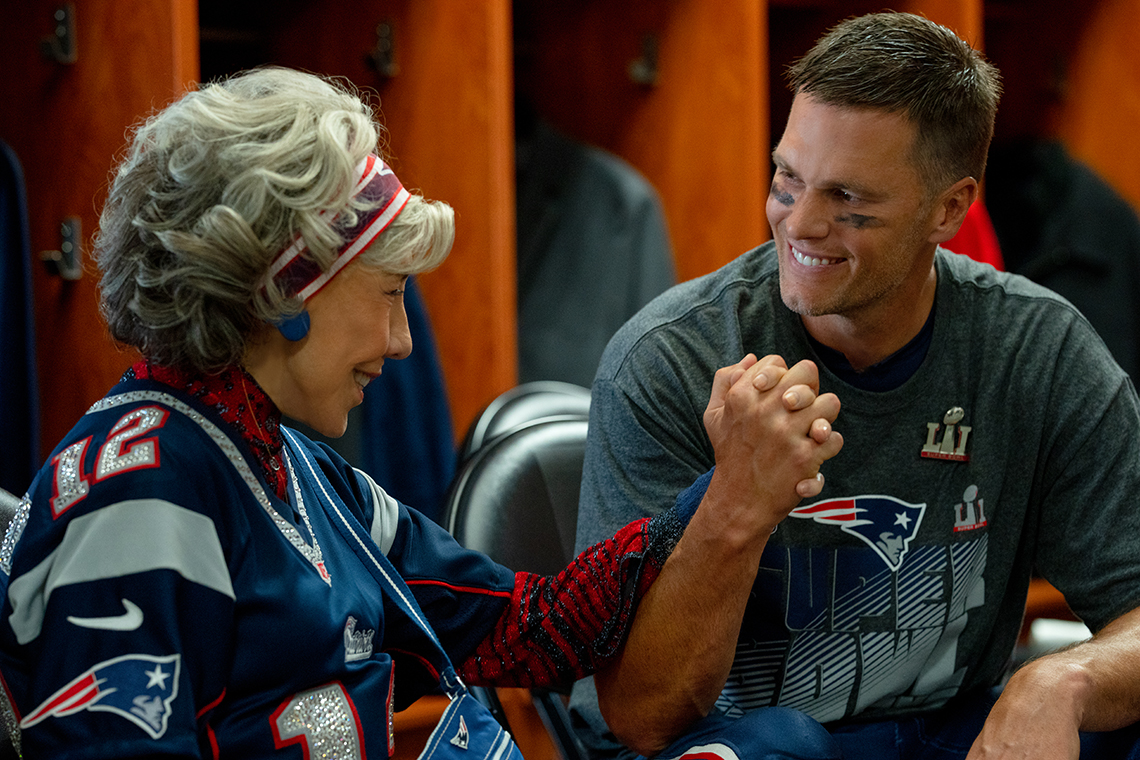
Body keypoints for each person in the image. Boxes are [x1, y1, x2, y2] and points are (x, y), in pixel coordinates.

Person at [0, 67, 841, 759]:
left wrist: (728, 484)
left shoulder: (290, 461)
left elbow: (527, 630)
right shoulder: (138, 491)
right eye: (392, 293)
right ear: (286, 289)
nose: (404, 342)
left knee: (780, 744)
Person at [570, 11, 1140, 760]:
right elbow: (640, 717)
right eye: (787, 179)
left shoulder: (1036, 349)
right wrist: (735, 504)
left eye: (850, 203)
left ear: (950, 209)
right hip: (741, 744)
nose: (799, 224)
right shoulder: (672, 358)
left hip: (943, 734)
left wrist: (1060, 682)